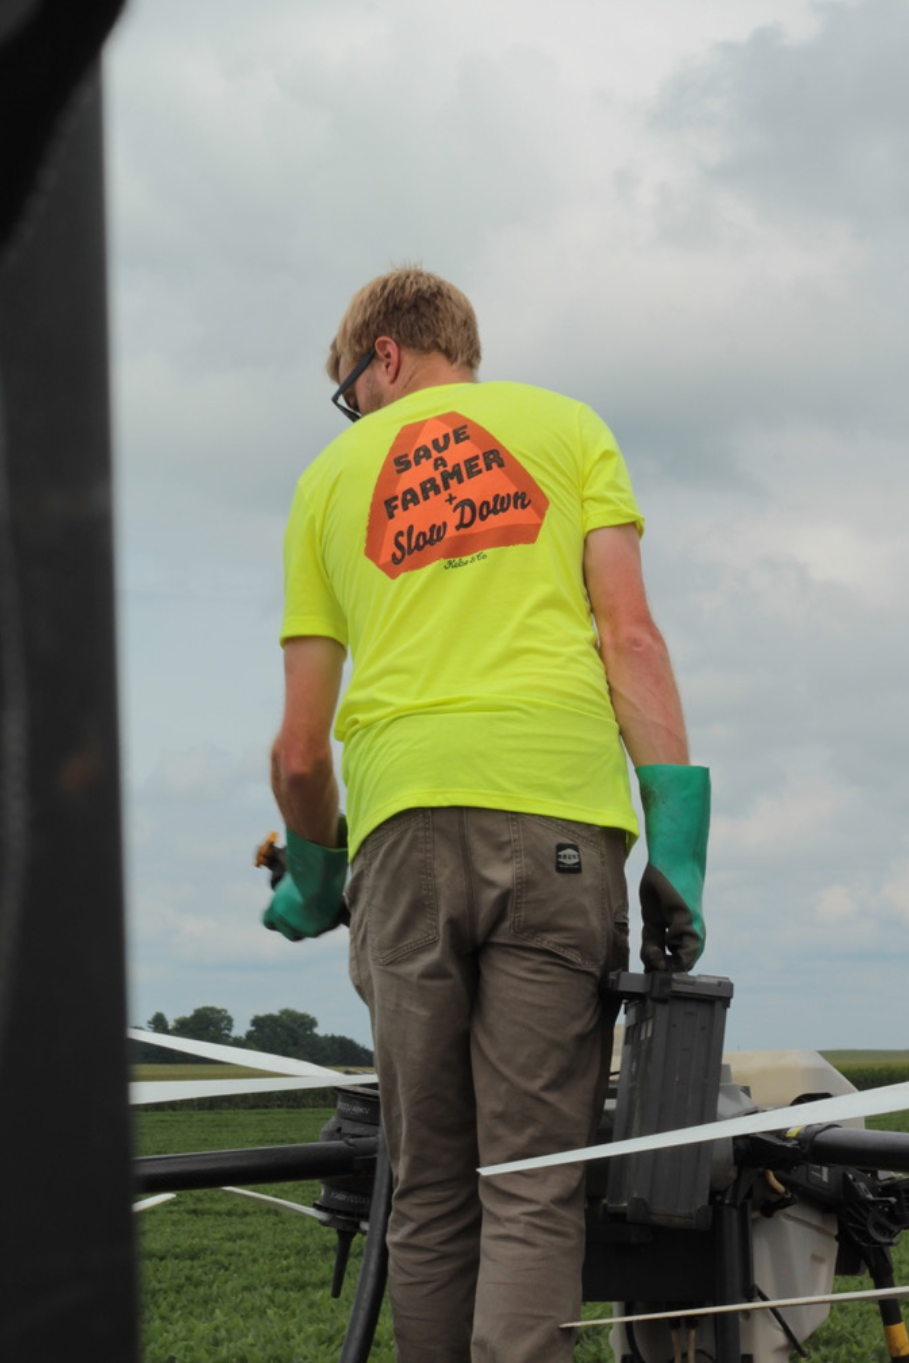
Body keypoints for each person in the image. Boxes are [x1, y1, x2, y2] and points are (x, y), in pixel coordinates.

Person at [268, 267, 710, 1363]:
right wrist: (680, 844)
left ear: (382, 355)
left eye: (349, 387)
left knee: (425, 1186)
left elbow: (297, 748)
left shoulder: (328, 481)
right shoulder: (567, 431)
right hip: (558, 824)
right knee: (530, 1182)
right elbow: (632, 640)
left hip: (401, 832)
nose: (354, 411)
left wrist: (317, 876)